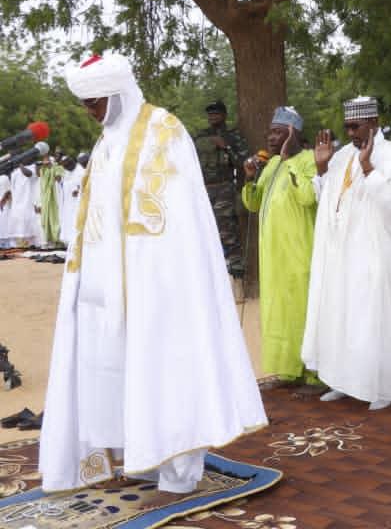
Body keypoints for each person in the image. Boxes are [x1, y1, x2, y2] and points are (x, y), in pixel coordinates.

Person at [40, 54, 265, 493]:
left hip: (160, 284)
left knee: (166, 368)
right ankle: (141, 454)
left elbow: (178, 218)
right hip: (107, 287)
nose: (91, 112)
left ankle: (180, 470)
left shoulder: (164, 130)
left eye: (96, 102)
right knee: (116, 370)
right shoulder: (106, 143)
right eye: (85, 104)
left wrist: (157, 276)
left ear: (119, 92)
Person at [303, 97, 391, 407]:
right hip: (342, 255)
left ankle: (381, 386)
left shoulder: (390, 155)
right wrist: (321, 169)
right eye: (347, 127)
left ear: (372, 123)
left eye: (355, 126)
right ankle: (344, 379)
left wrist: (369, 168)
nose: (351, 133)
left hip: (373, 254)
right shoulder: (343, 154)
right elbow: (328, 199)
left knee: (371, 317)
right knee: (341, 316)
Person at [241, 106, 320, 390]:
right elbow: (253, 204)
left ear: (294, 133)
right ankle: (287, 371)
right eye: (270, 132)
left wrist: (290, 162)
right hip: (273, 255)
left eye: (278, 132)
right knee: (278, 312)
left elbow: (309, 197)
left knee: (303, 310)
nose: (271, 138)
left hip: (300, 250)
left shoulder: (310, 160)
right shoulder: (271, 165)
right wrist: (251, 178)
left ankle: (313, 374)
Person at [192, 99, 249, 278]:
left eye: (216, 113)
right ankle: (206, 268)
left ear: (224, 115)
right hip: (202, 190)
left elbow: (243, 161)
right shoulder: (200, 137)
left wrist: (226, 146)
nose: (213, 117)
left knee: (227, 228)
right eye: (210, 114)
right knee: (202, 230)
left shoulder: (233, 136)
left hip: (223, 187)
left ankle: (236, 266)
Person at [9, 162, 43, 248]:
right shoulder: (14, 172)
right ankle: (21, 245)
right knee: (19, 227)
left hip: (29, 202)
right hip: (17, 203)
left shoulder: (32, 167)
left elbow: (29, 174)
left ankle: (32, 245)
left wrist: (20, 164)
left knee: (31, 227)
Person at [58, 154, 86, 246]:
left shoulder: (81, 171)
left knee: (76, 223)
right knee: (68, 222)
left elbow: (84, 185)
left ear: (72, 163)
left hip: (77, 203)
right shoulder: (67, 172)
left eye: (68, 165)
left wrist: (79, 190)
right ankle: (69, 244)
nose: (67, 168)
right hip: (68, 204)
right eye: (65, 167)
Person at [38, 154, 64, 247]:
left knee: (56, 219)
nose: (45, 162)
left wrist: (53, 167)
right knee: (46, 220)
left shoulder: (58, 168)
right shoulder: (43, 170)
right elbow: (41, 182)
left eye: (47, 160)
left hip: (56, 197)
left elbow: (59, 178)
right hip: (46, 199)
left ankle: (59, 240)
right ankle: (49, 240)